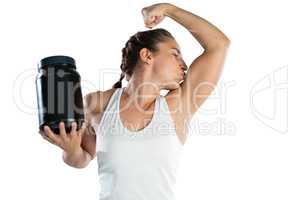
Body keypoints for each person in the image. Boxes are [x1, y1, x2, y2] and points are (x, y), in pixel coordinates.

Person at [41, 3, 230, 200]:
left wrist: (169, 9)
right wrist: (70, 150)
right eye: (175, 54)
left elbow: (219, 45)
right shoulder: (98, 104)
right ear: (147, 55)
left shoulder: (179, 104)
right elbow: (83, 157)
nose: (184, 65)